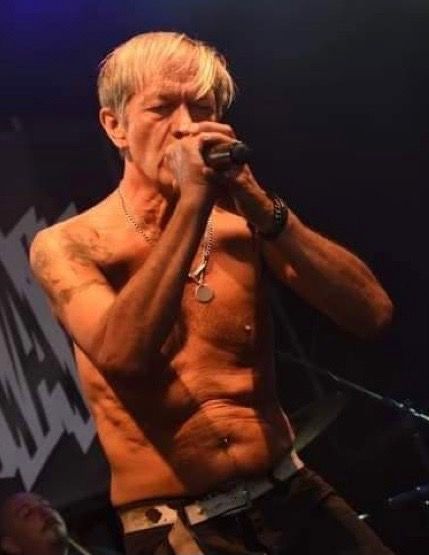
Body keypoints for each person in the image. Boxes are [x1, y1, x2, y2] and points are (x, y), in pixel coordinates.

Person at [29, 31, 395, 554]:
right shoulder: (68, 244)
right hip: (181, 526)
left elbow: (371, 313)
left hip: (291, 492)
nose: (185, 126)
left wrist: (260, 204)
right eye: (161, 109)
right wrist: (193, 202)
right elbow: (123, 354)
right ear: (115, 126)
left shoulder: (241, 224)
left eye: (201, 108)